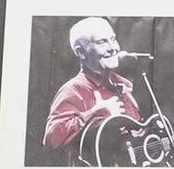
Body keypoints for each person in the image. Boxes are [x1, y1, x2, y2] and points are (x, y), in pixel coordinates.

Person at [42, 16, 142, 159]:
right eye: (102, 42)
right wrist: (96, 113)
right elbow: (51, 139)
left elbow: (135, 139)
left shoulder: (123, 87)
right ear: (81, 52)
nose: (113, 48)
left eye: (113, 39)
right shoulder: (73, 90)